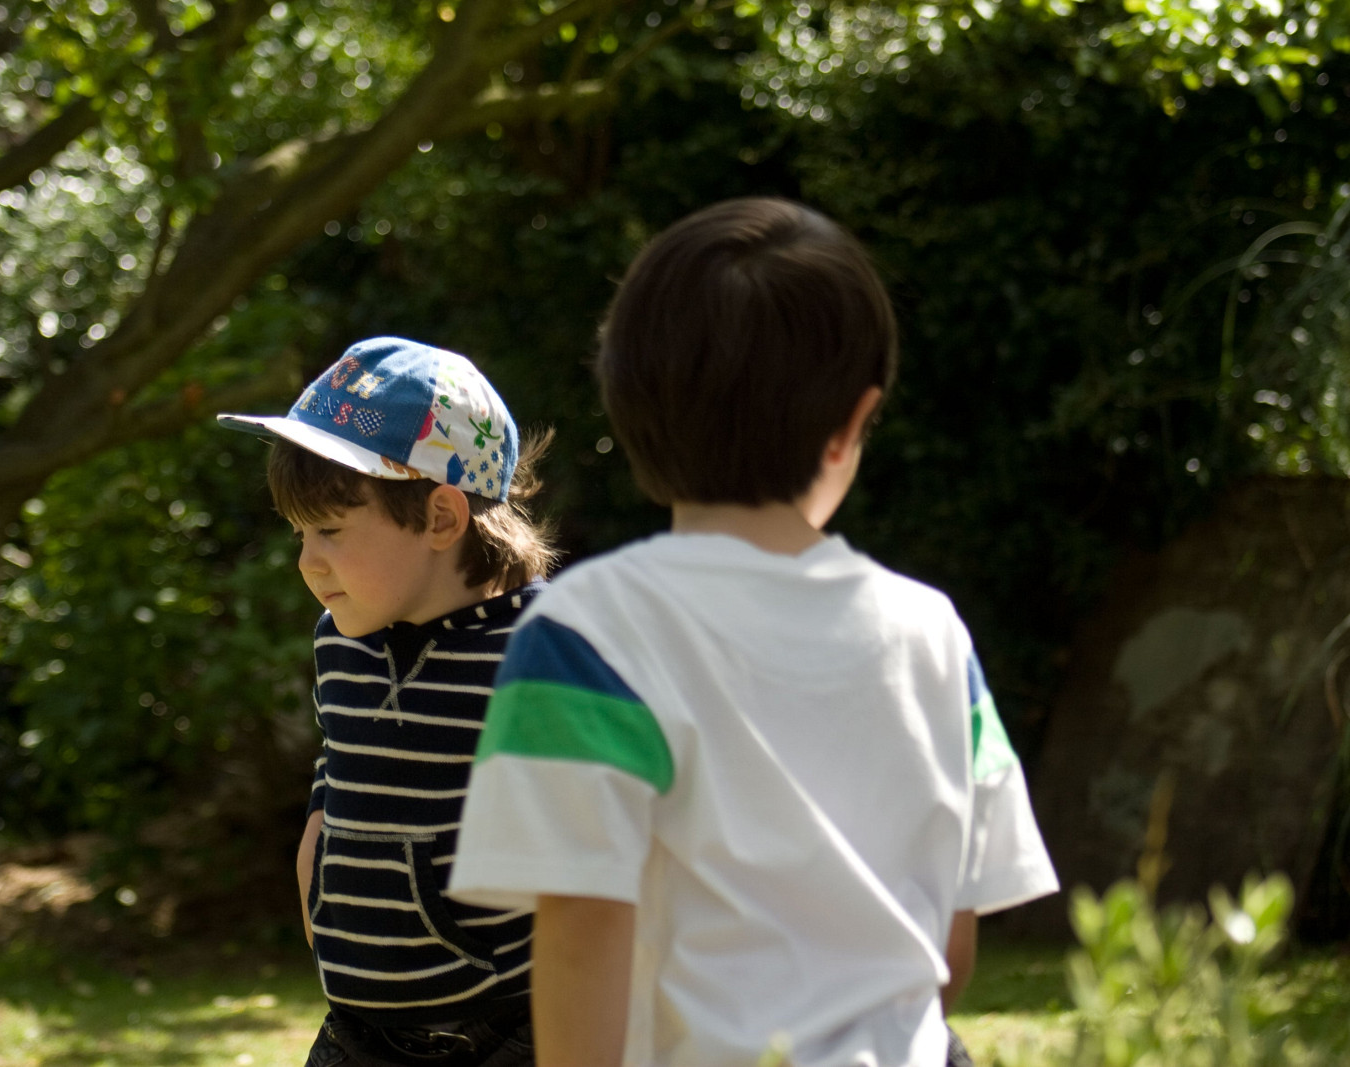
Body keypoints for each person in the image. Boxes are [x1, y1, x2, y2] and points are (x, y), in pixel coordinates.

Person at [446, 199, 1060, 1067]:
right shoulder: (934, 635)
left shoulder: (585, 632)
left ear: (627, 405)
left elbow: (582, 929)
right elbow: (950, 945)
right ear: (854, 422)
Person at [219, 336, 558, 1067]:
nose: (307, 562)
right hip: (357, 1032)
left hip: (504, 1035)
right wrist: (317, 848)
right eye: (300, 533)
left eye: (330, 530)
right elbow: (344, 766)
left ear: (441, 518)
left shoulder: (547, 654)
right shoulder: (342, 640)